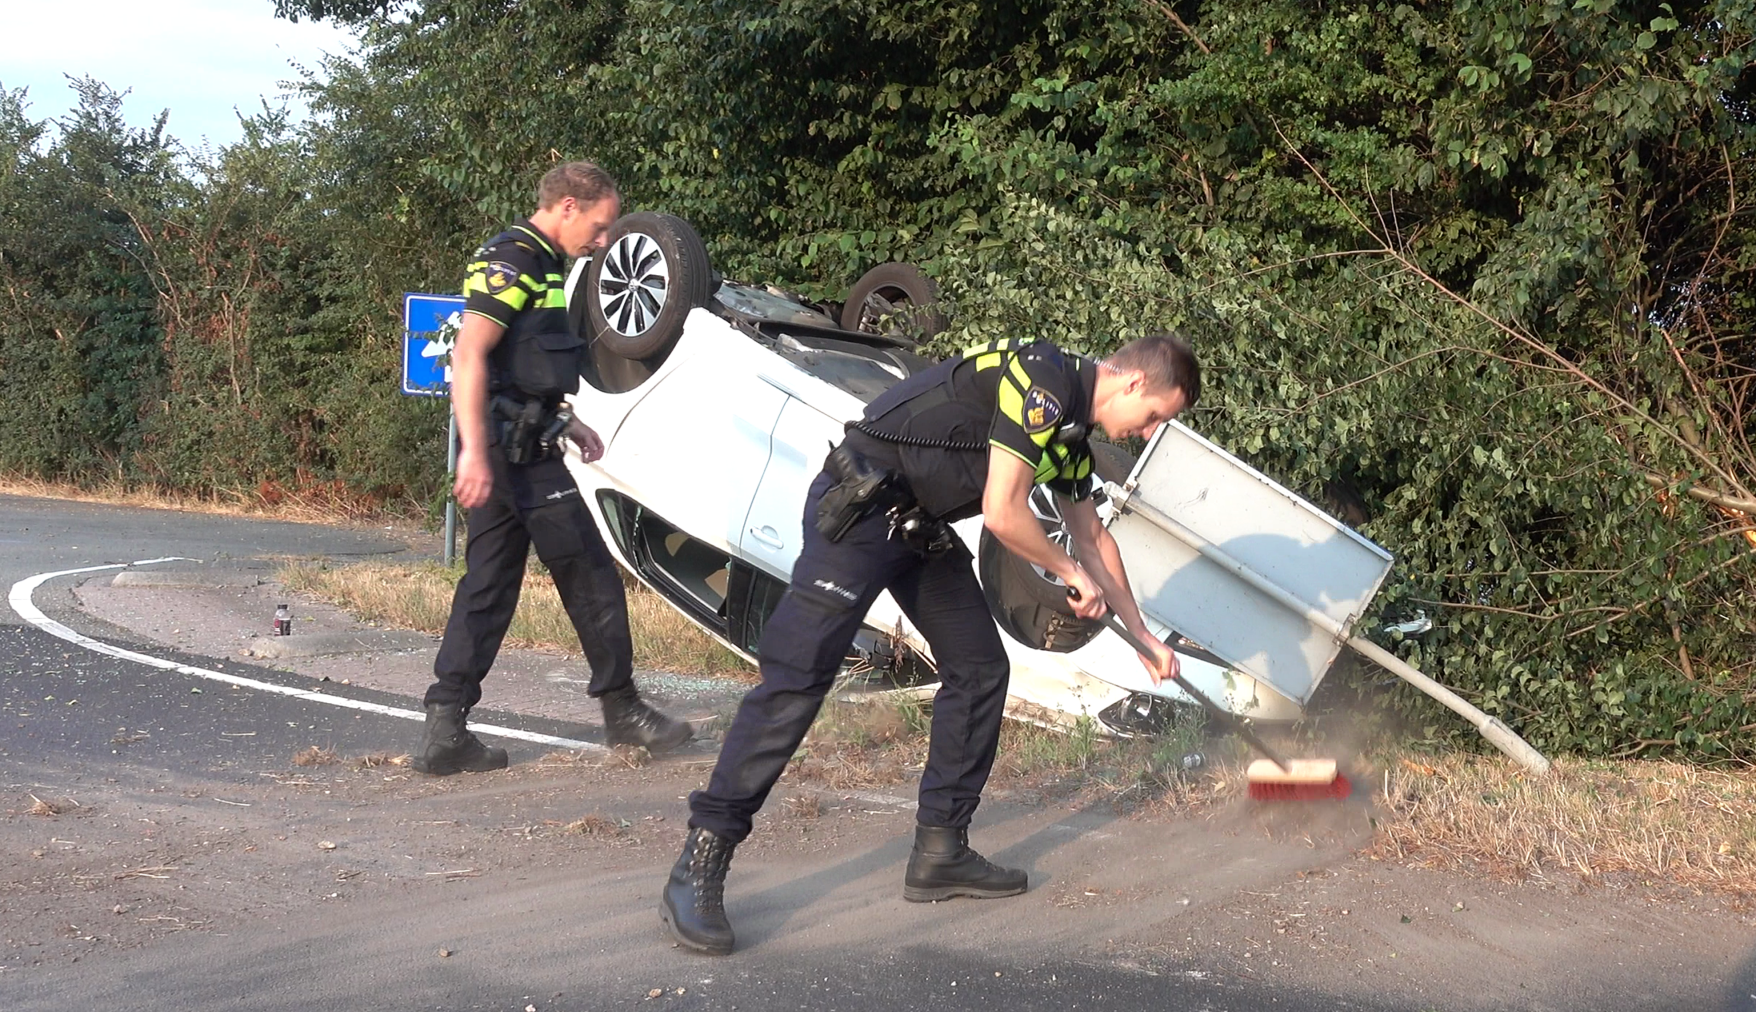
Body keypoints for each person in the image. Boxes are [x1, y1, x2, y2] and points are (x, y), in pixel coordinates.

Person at [660, 333, 1200, 954]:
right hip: (860, 511)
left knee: (978, 668)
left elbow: (1094, 538)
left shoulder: (1074, 437)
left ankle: (942, 849)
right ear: (1132, 383)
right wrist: (1069, 573)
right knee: (798, 678)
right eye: (1155, 415)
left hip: (916, 524)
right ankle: (698, 863)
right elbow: (1003, 511)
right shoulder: (1046, 378)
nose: (1145, 431)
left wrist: (1143, 638)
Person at [413, 161, 694, 775]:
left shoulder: (545, 265)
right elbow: (468, 355)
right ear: (568, 207)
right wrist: (476, 454)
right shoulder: (513, 259)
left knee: (487, 589)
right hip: (510, 458)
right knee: (589, 573)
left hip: (526, 443)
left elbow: (524, 367)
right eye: (598, 226)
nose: (601, 239)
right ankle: (623, 712)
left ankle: (445, 729)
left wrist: (566, 421)